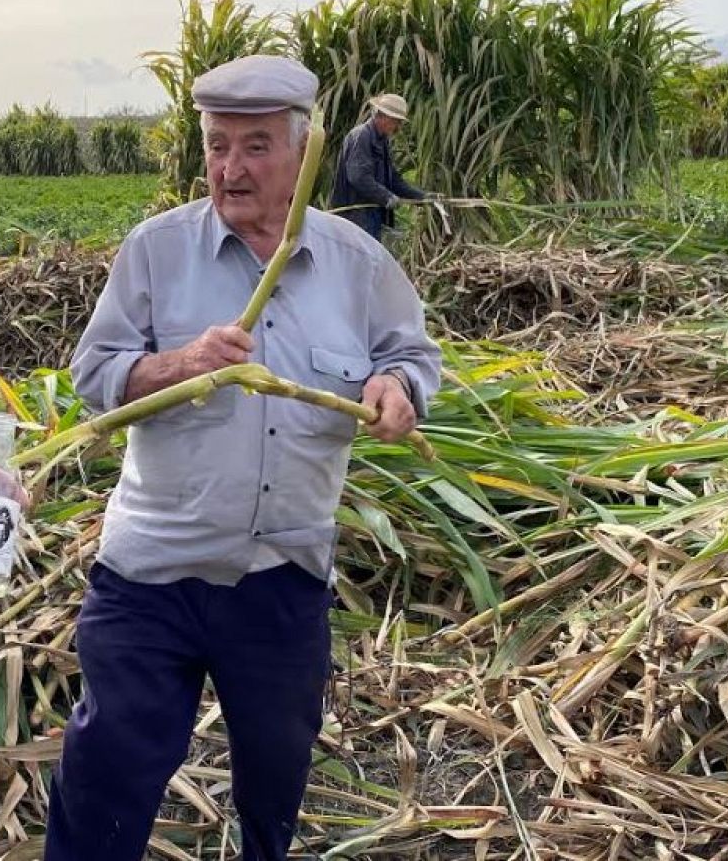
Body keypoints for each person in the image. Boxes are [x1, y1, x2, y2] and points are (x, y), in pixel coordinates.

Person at [48, 55, 443, 861]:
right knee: (108, 776)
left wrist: (399, 387)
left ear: (303, 154)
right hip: (151, 577)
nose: (230, 167)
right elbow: (95, 376)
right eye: (217, 144)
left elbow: (411, 354)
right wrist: (177, 366)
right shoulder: (157, 250)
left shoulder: (357, 263)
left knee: (275, 780)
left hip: (282, 579)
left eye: (256, 146)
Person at [328, 92, 428, 241]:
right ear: (383, 116)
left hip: (371, 213)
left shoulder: (382, 141)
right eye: (396, 121)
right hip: (355, 215)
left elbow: (392, 179)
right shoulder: (361, 136)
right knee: (360, 259)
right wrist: (385, 196)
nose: (398, 127)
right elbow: (358, 177)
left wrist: (420, 196)